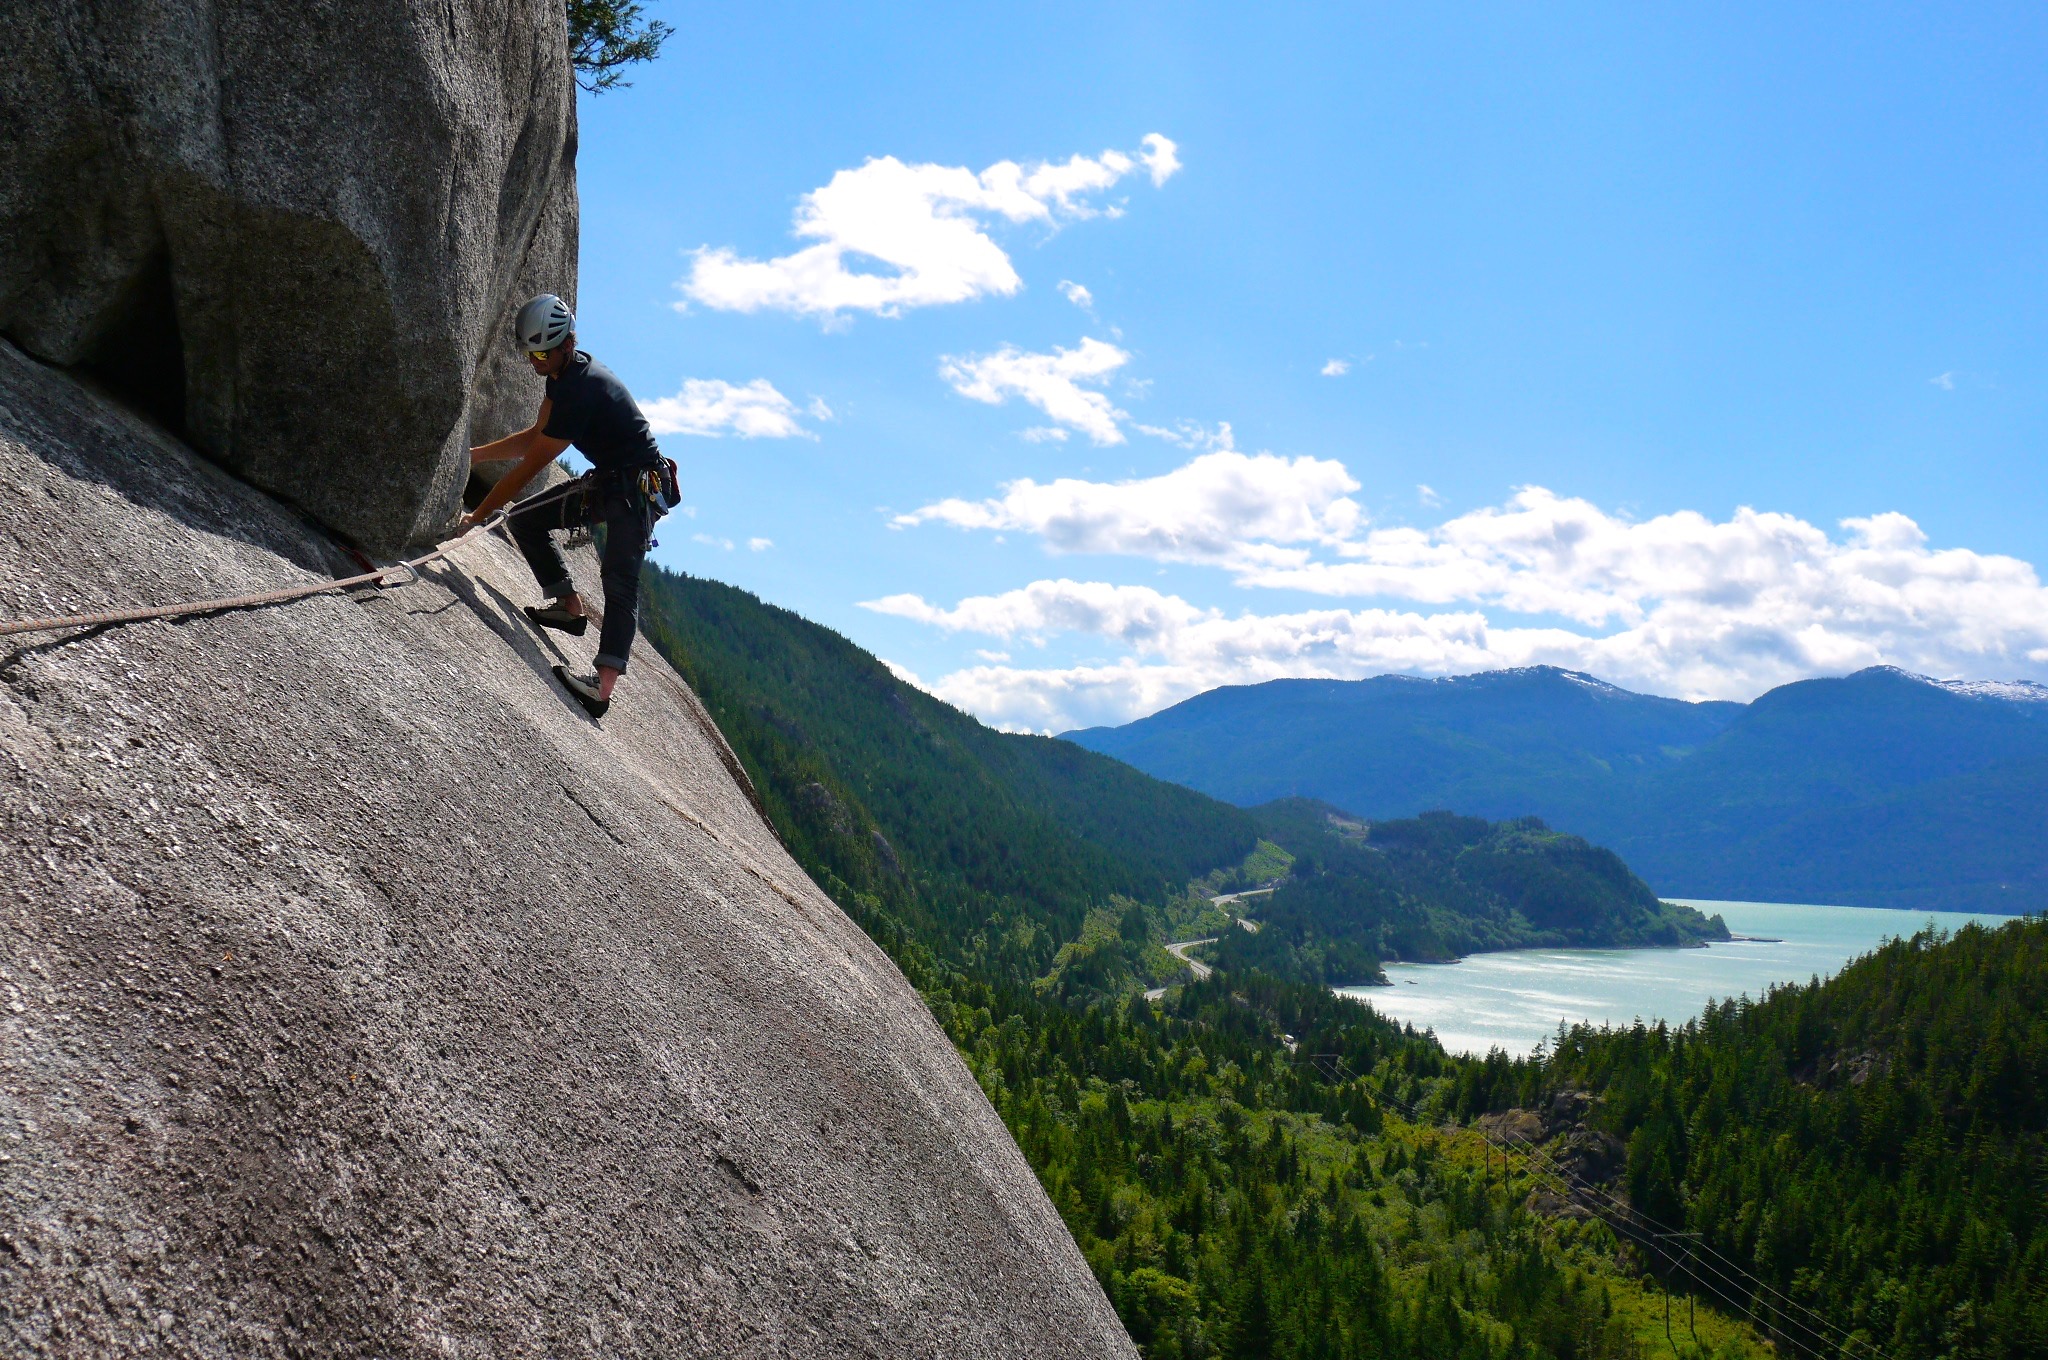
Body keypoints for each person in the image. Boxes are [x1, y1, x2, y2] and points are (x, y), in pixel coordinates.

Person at [463, 294, 668, 721]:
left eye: (541, 352)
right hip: (610, 480)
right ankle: (568, 606)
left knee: (619, 581)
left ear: (565, 344)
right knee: (525, 520)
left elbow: (528, 466)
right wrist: (473, 455)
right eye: (529, 353)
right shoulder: (561, 376)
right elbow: (536, 436)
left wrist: (475, 518)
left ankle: (601, 689)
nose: (534, 361)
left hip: (636, 488)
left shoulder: (580, 387)